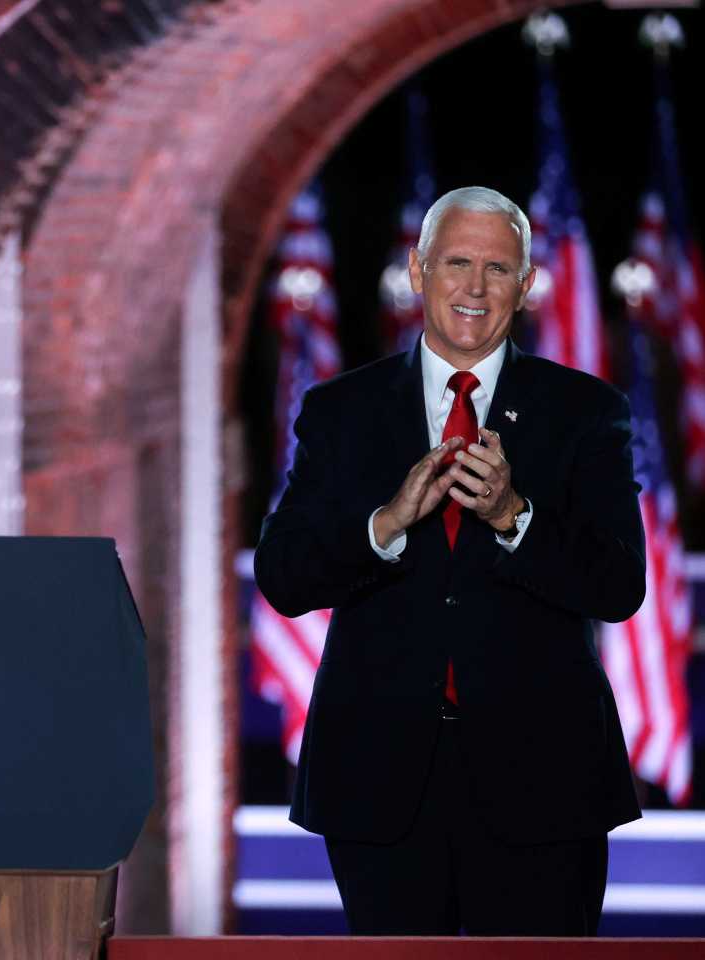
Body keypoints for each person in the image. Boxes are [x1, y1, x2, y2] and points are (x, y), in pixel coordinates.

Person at [255, 186, 643, 936]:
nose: (474, 287)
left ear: (526, 287)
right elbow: (284, 576)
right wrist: (387, 524)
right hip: (379, 780)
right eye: (456, 263)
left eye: (497, 269)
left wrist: (513, 517)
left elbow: (620, 585)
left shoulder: (587, 412)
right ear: (418, 269)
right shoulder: (343, 411)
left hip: (545, 784)